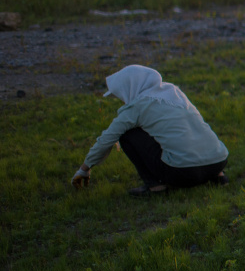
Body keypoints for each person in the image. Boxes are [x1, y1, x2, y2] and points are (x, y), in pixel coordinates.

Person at [72, 65, 230, 197]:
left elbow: (106, 139)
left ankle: (155, 187)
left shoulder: (137, 107)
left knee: (128, 134)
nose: (121, 98)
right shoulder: (174, 92)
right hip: (219, 161)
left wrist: (84, 169)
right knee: (188, 128)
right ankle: (218, 176)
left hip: (184, 173)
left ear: (130, 88)